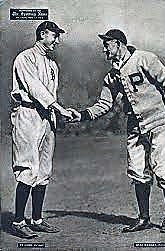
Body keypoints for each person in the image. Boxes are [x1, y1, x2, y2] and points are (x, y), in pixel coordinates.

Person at [68, 29, 165, 233]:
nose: (104, 49)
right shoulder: (111, 76)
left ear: (118, 43)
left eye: (107, 44)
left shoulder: (145, 58)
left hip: (159, 122)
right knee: (138, 171)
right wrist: (82, 115)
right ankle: (143, 218)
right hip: (135, 127)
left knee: (164, 168)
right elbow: (104, 104)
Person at [10, 21, 72, 239]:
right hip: (27, 115)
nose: (57, 40)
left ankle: (36, 219)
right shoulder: (24, 57)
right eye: (54, 35)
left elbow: (50, 95)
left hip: (46, 117)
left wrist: (60, 114)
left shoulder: (52, 64)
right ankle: (18, 221)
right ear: (42, 34)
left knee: (44, 170)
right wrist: (59, 108)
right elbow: (35, 89)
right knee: (28, 168)